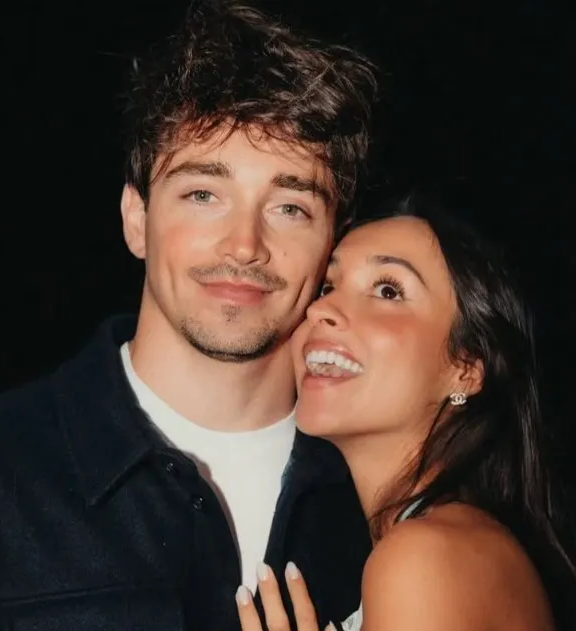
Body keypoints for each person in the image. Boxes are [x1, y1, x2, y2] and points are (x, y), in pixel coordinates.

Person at [0, 2, 377, 630]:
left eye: (290, 207)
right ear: (136, 218)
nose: (244, 245)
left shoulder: (387, 498)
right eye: (203, 194)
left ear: (334, 241)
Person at [236, 192, 576, 631]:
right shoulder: (450, 544)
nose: (319, 309)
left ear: (465, 368)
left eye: (387, 290)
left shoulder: (425, 557)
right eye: (327, 286)